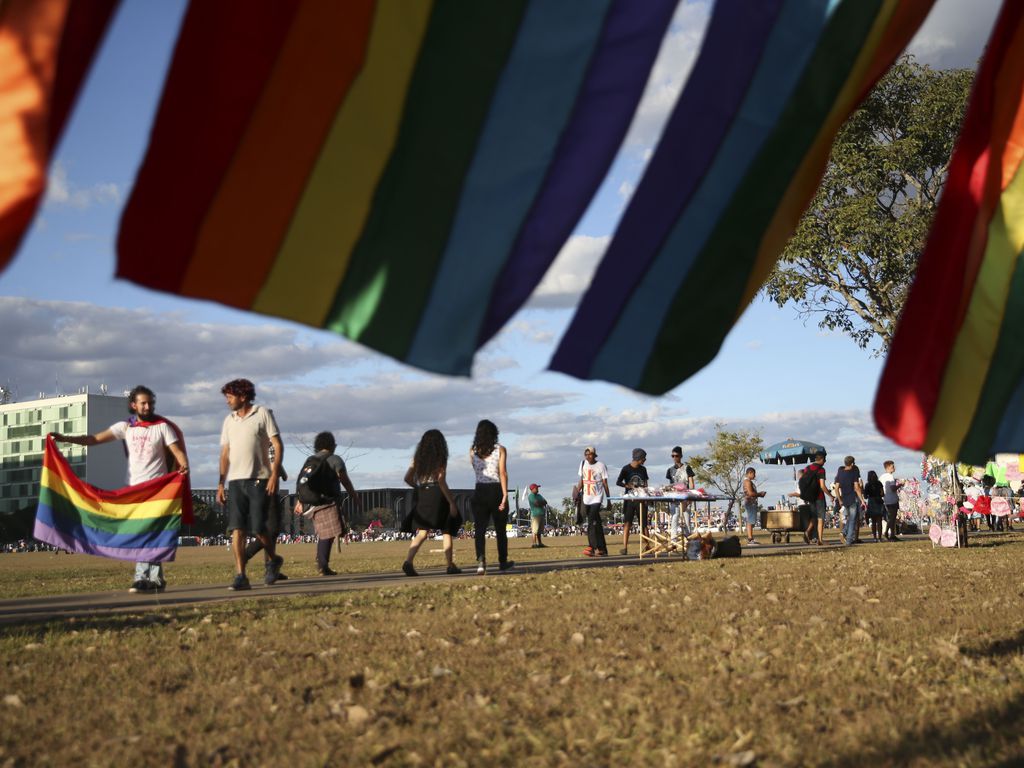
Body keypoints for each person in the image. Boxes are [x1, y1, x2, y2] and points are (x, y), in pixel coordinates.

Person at [52, 385, 189, 593]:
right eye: (143, 403)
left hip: (157, 490)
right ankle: (155, 579)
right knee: (143, 533)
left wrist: (183, 465)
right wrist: (65, 439)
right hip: (134, 490)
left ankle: (143, 577)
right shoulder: (126, 427)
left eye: (150, 403)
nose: (147, 406)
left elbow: (177, 451)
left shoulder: (162, 427)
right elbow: (94, 439)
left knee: (148, 533)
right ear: (133, 405)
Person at [216, 379, 284, 591]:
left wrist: (274, 474)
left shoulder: (261, 413)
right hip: (236, 481)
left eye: (230, 397)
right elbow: (225, 454)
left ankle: (273, 559)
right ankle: (241, 575)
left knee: (259, 528)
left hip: (259, 479)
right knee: (237, 529)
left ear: (243, 396)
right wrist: (221, 483)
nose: (227, 401)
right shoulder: (229, 421)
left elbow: (277, 444)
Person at [296, 431, 362, 576]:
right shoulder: (334, 459)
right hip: (328, 501)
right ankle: (322, 564)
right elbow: (345, 480)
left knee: (325, 533)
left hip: (312, 502)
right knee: (330, 532)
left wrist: (300, 501)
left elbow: (304, 481)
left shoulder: (311, 460)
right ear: (332, 445)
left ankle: (322, 562)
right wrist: (354, 496)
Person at [402, 429, 460, 577]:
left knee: (422, 532)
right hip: (437, 493)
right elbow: (441, 480)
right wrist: (451, 502)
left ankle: (408, 561)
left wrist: (418, 487)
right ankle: (450, 565)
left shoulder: (417, 459)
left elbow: (407, 478)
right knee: (446, 529)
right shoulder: (440, 458)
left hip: (423, 493)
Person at [469, 419, 513, 574]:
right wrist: (505, 494)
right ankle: (503, 561)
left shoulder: (473, 451)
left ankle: (481, 561)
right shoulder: (500, 449)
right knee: (500, 529)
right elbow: (502, 473)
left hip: (479, 489)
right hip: (495, 489)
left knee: (480, 529)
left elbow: (476, 470)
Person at [575, 446, 611, 557]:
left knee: (591, 521)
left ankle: (592, 546)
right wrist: (576, 492)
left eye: (589, 454)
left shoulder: (601, 465)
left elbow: (605, 483)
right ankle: (602, 549)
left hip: (597, 497)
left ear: (594, 455)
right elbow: (581, 481)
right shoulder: (583, 464)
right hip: (586, 498)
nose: (587, 457)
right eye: (586, 455)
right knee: (597, 523)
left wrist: (609, 500)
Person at [616, 449, 649, 555]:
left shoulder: (643, 469)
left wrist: (646, 497)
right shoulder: (626, 469)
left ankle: (648, 546)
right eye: (643, 458)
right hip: (629, 499)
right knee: (627, 523)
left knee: (643, 524)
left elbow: (646, 484)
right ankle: (624, 547)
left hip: (641, 500)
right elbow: (618, 482)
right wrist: (628, 485)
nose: (645, 460)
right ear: (638, 458)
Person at [835, 455, 866, 547]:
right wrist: (862, 500)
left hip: (844, 498)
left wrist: (839, 499)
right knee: (852, 520)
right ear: (852, 463)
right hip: (853, 498)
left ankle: (844, 532)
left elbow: (836, 488)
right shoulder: (854, 472)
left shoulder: (840, 472)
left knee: (850, 518)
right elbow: (856, 487)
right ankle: (848, 539)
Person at [666, 446, 695, 541]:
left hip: (686, 497)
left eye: (676, 456)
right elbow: (671, 484)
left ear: (681, 456)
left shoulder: (687, 468)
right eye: (673, 456)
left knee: (687, 520)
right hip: (675, 498)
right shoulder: (670, 470)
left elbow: (691, 483)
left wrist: (690, 497)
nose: (674, 458)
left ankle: (688, 539)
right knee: (674, 518)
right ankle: (673, 539)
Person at [803, 454, 833, 545]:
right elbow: (822, 486)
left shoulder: (807, 468)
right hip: (819, 497)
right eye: (824, 460)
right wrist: (830, 495)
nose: (825, 462)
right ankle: (820, 540)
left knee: (814, 516)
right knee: (821, 518)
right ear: (821, 459)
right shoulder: (821, 469)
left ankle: (807, 531)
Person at [741, 467, 766, 545]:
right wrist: (760, 494)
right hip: (750, 503)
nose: (755, 476)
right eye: (754, 474)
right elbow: (750, 493)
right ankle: (750, 539)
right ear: (750, 473)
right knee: (750, 521)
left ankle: (750, 538)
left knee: (751, 520)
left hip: (751, 502)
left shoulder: (747, 481)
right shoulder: (747, 482)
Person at [879, 460, 903, 541]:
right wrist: (900, 484)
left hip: (885, 500)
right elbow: (893, 488)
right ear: (888, 467)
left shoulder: (881, 477)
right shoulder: (890, 477)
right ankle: (887, 532)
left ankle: (892, 534)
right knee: (892, 518)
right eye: (893, 466)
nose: (894, 468)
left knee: (891, 518)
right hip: (892, 500)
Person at [863, 470, 885, 541]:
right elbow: (882, 494)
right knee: (879, 521)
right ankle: (880, 537)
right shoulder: (879, 483)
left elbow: (865, 496)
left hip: (871, 502)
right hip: (879, 501)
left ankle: (875, 537)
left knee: (873, 521)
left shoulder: (867, 485)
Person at [527, 483, 547, 548]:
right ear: (532, 489)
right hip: (535, 515)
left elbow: (545, 502)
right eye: (536, 488)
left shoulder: (539, 495)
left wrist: (541, 502)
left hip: (541, 514)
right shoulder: (531, 496)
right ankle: (534, 543)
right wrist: (542, 503)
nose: (538, 489)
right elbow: (536, 504)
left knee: (539, 531)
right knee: (535, 530)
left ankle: (540, 543)